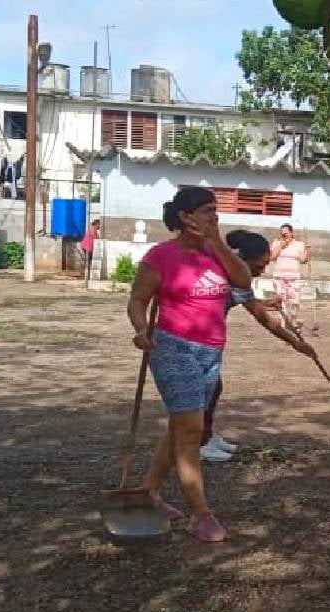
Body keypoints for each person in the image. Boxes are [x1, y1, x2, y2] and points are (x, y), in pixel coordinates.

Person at [126, 186, 253, 543]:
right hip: (172, 348)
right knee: (191, 430)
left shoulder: (217, 252)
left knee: (181, 427)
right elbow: (138, 300)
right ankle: (201, 514)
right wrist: (139, 328)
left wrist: (218, 243)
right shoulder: (161, 257)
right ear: (186, 217)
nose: (215, 216)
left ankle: (147, 491)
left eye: (216, 210)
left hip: (211, 351)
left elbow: (243, 280)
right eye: (208, 210)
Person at [199, 230, 318, 462]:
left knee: (214, 388)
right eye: (260, 265)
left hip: (210, 338)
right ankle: (198, 443)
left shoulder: (236, 275)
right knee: (206, 391)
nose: (262, 270)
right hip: (196, 337)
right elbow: (263, 319)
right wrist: (295, 343)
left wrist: (263, 302)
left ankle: (207, 435)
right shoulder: (230, 275)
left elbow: (247, 302)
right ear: (244, 259)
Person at [270, 223, 309, 329]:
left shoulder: (299, 244)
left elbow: (303, 260)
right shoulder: (276, 243)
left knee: (294, 301)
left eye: (286, 234)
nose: (284, 236)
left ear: (291, 233)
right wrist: (281, 246)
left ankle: (293, 320)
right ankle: (283, 322)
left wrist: (306, 251)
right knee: (281, 300)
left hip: (294, 277)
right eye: (282, 234)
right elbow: (272, 257)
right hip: (279, 276)